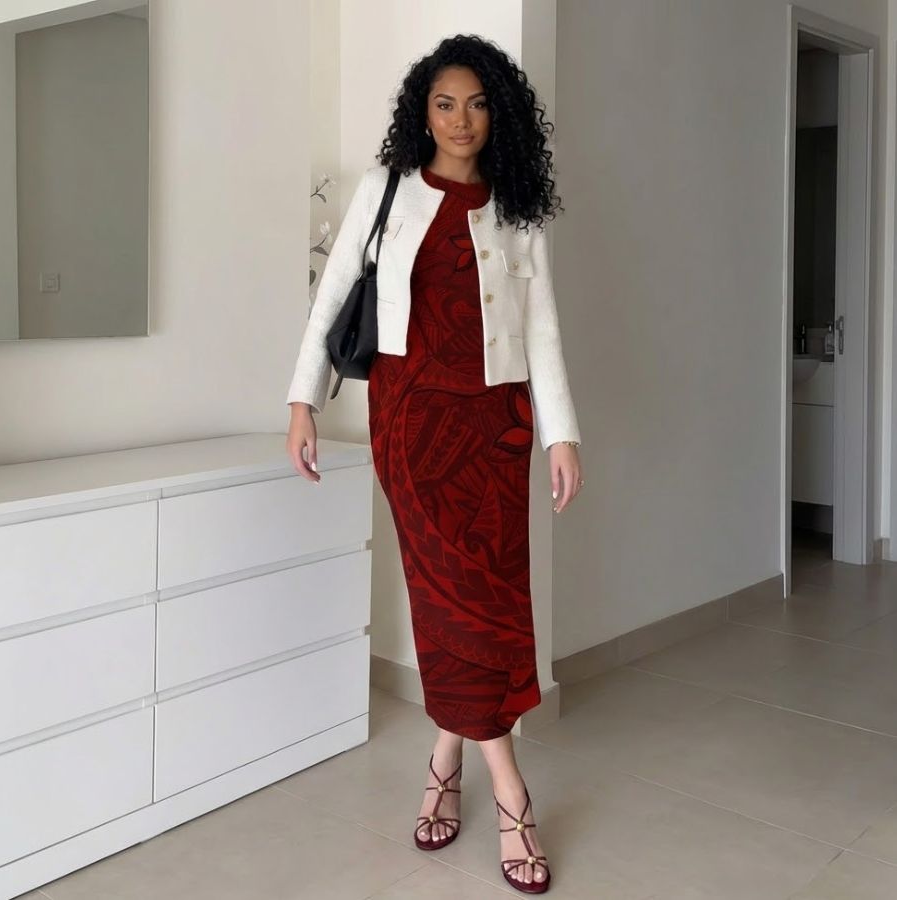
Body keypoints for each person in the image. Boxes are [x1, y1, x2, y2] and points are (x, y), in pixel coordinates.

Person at [285, 33, 583, 895]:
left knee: (489, 596)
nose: (461, 120)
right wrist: (303, 399)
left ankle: (446, 756)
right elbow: (333, 296)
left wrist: (563, 432)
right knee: (444, 589)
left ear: (500, 115)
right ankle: (511, 790)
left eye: (479, 103)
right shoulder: (384, 192)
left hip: (498, 424)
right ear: (423, 111)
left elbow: (545, 329)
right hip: (412, 424)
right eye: (445, 103)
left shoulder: (516, 209)